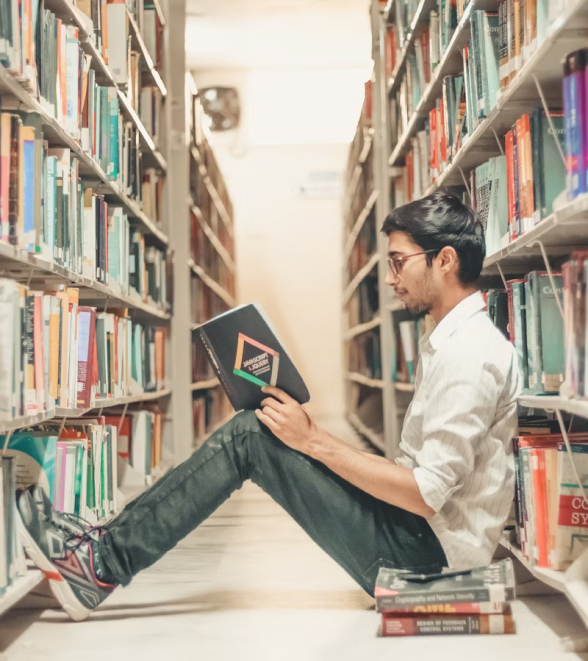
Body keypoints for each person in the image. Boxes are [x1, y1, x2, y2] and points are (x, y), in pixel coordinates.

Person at [17, 191, 522, 622]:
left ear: (446, 260)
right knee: (260, 429)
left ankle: (100, 563)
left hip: (423, 563)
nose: (390, 277)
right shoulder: (453, 341)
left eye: (398, 261)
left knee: (249, 437)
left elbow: (424, 496)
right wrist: (314, 443)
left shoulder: (469, 356)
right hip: (413, 535)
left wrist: (314, 440)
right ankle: (102, 547)